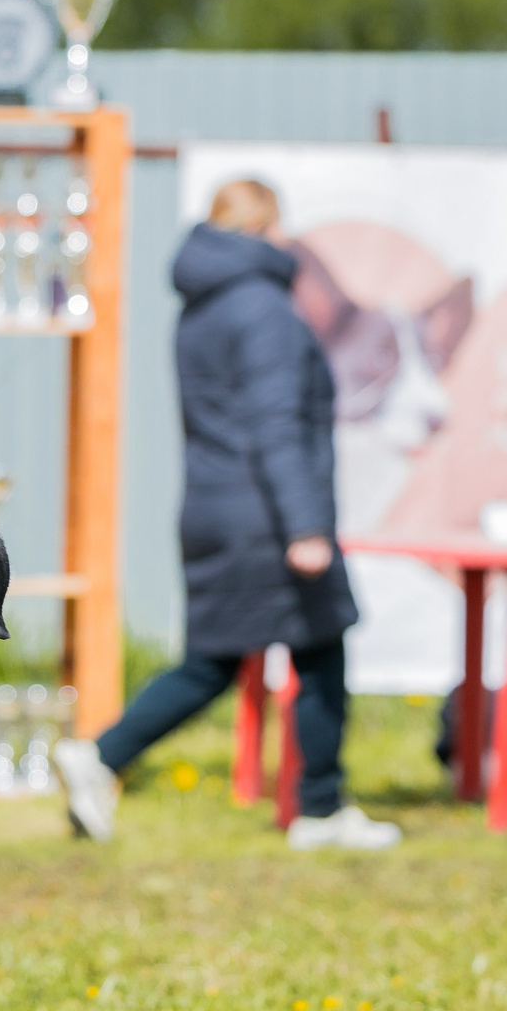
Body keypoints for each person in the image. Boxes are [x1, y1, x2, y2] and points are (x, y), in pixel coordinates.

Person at [53, 179, 400, 851]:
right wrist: (304, 527)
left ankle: (100, 756)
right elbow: (274, 424)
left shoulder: (202, 306)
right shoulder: (262, 307)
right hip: (266, 516)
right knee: (321, 647)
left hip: (217, 507)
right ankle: (320, 811)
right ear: (267, 227)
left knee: (213, 662)